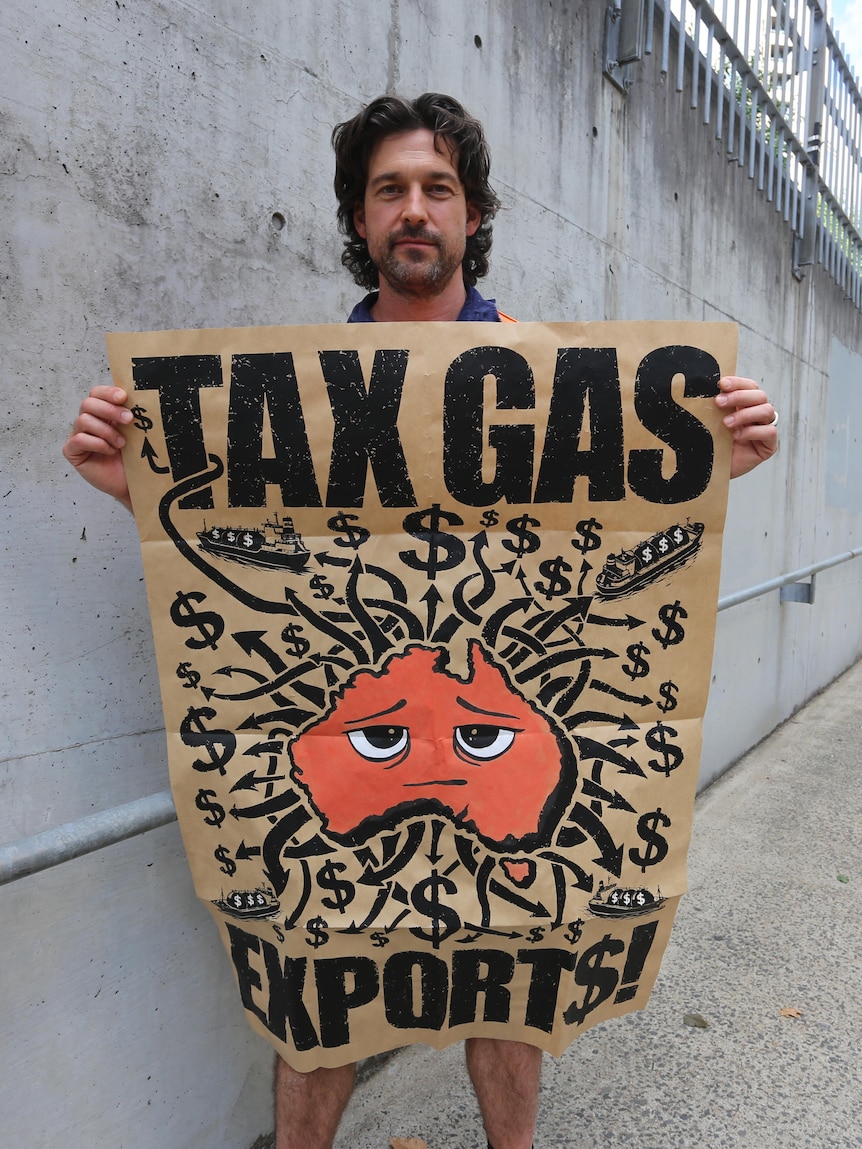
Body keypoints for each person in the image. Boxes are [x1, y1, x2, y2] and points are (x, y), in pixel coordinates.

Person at [62, 92, 778, 1149]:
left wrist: (722, 463)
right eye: (388, 190)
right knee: (320, 987)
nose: (413, 210)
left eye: (436, 189)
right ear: (358, 221)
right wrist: (134, 485)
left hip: (512, 737)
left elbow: (619, 544)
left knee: (516, 979)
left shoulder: (552, 379)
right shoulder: (293, 393)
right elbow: (244, 558)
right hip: (351, 750)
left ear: (474, 215)